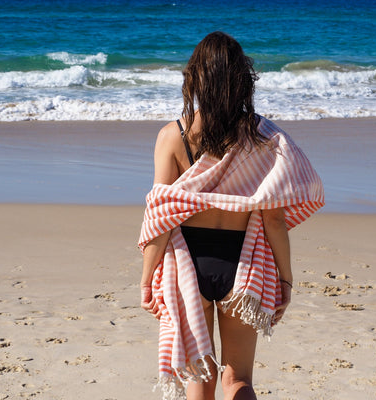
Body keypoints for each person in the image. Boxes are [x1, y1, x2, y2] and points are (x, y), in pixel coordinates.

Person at [139, 32, 324, 400]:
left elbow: (161, 216)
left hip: (187, 266)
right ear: (242, 80)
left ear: (193, 79)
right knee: (238, 380)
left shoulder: (172, 137)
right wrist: (285, 280)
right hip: (245, 264)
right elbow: (272, 219)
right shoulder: (262, 138)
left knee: (200, 380)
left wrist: (146, 280)